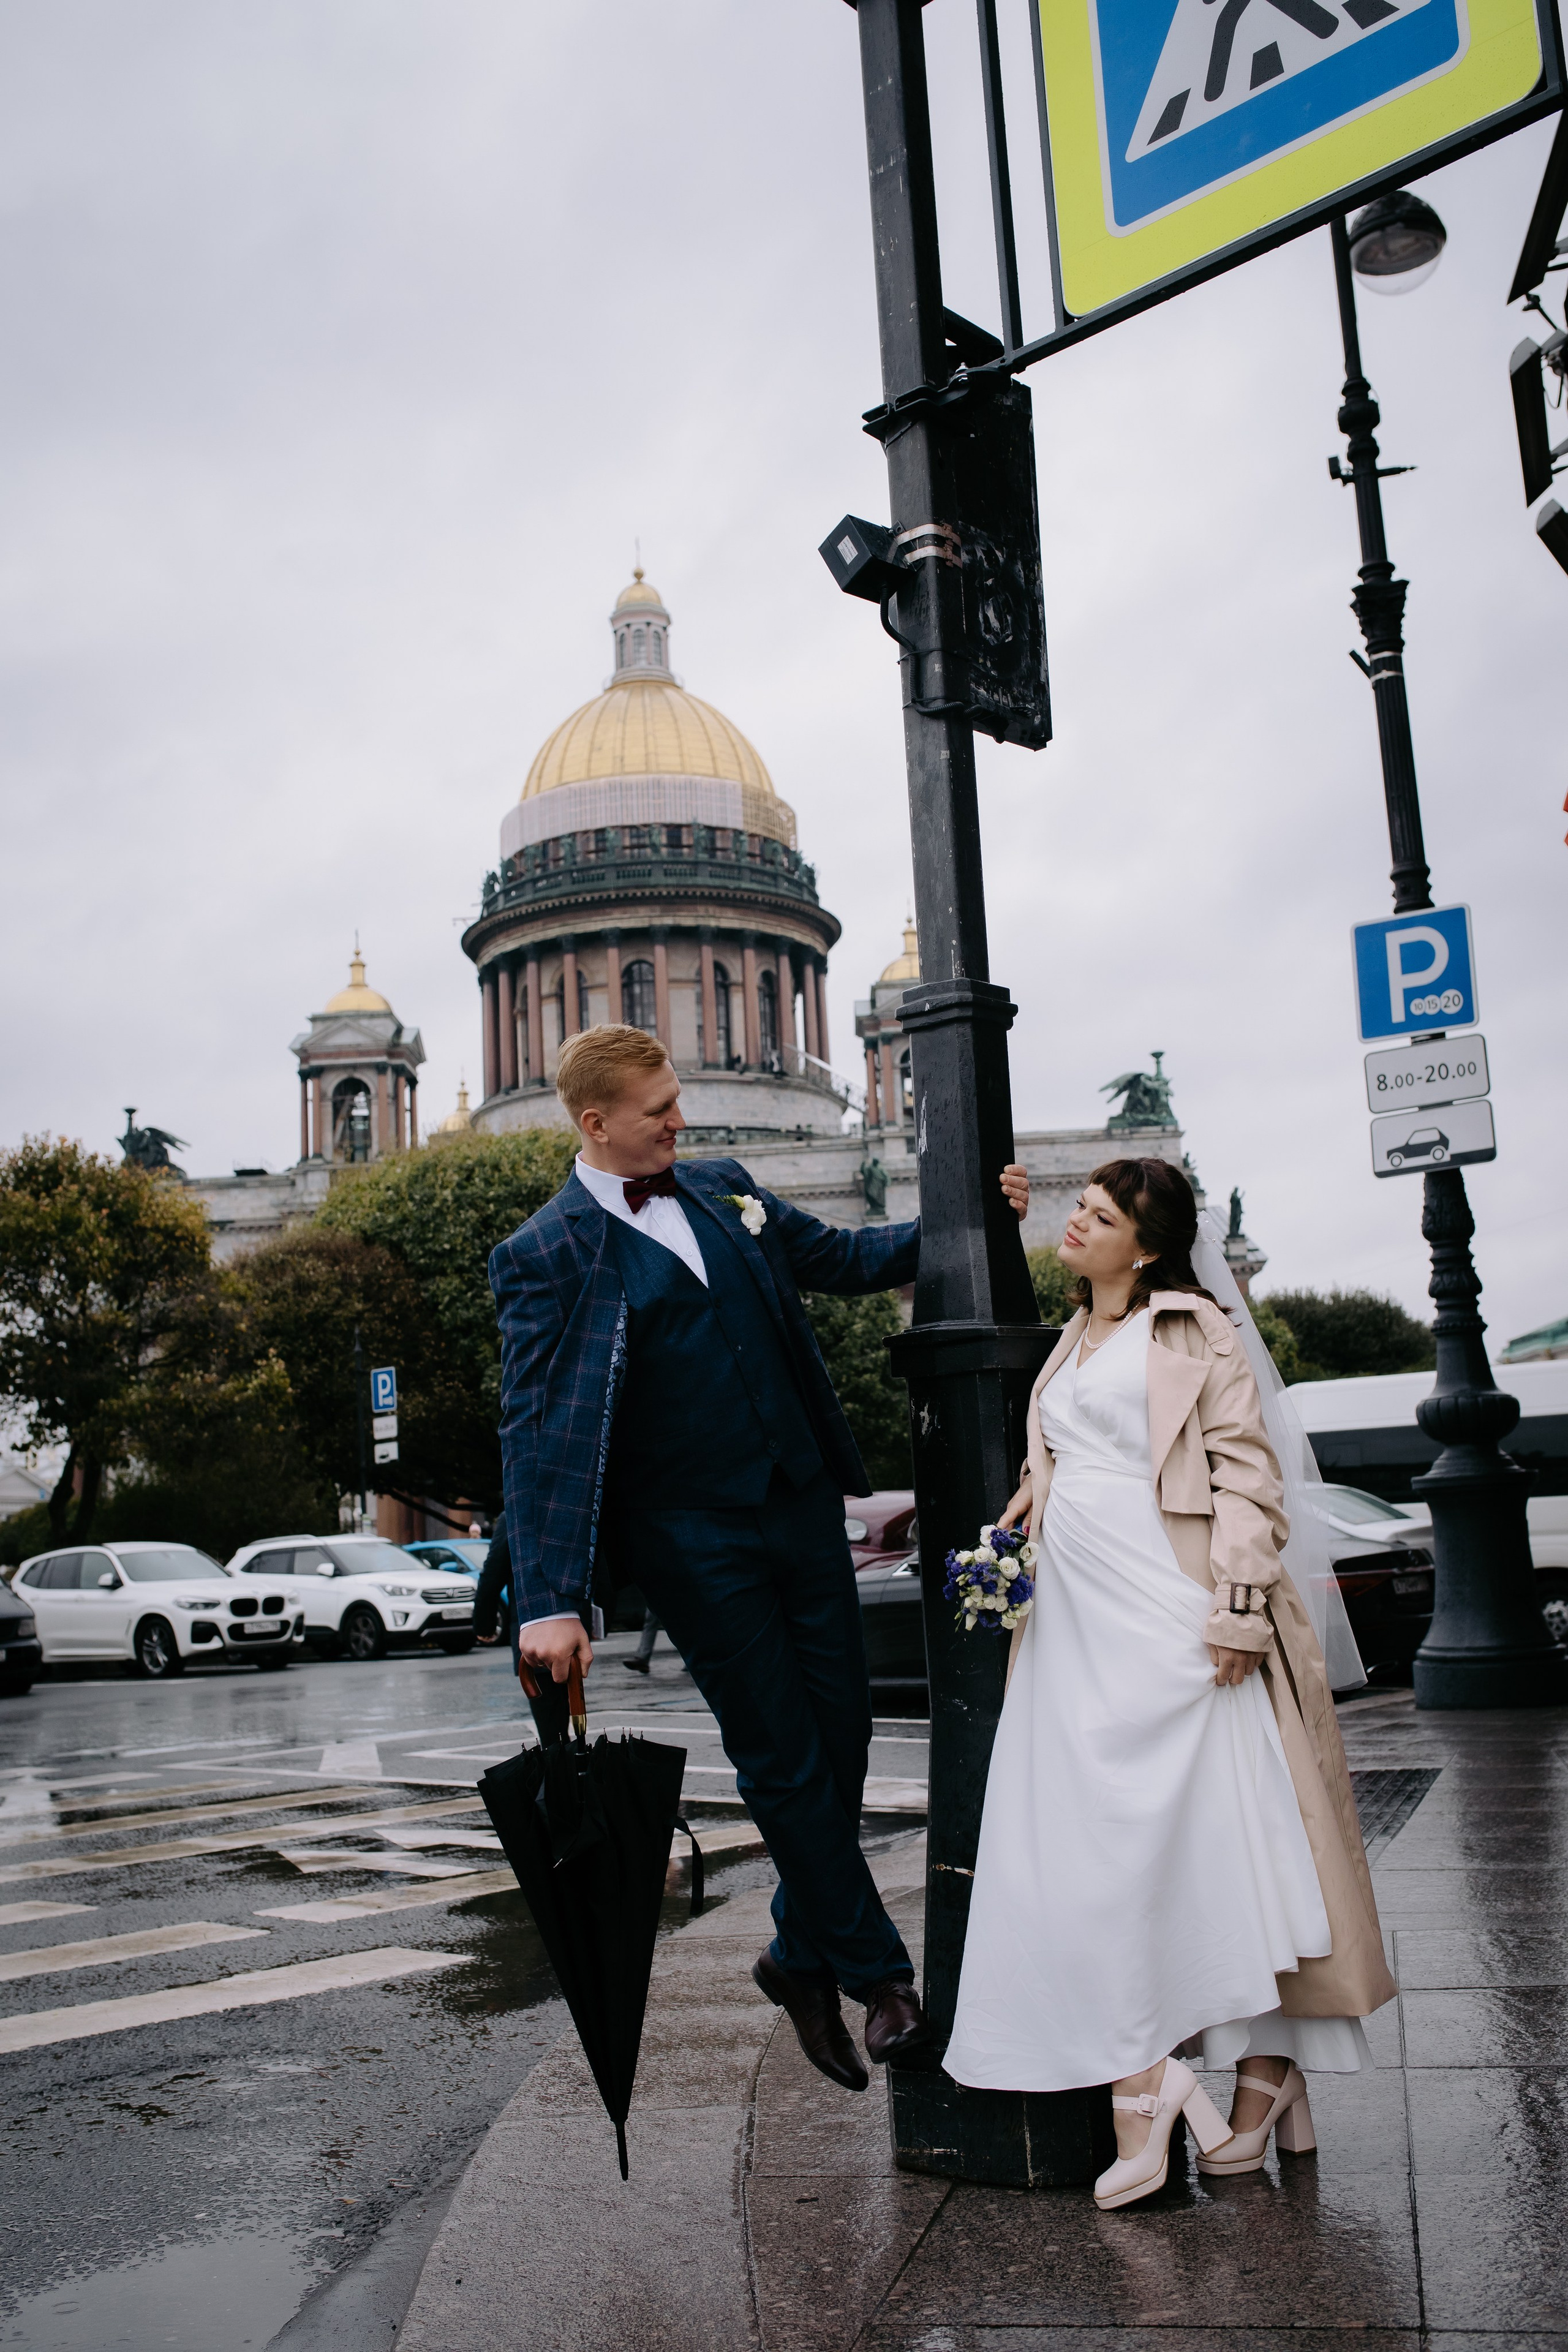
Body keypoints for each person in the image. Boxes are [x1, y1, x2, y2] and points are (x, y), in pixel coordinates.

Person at [489, 1022, 1030, 2092]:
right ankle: (880, 1979)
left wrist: (969, 1221)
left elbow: (844, 1259)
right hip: (693, 1546)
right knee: (782, 1752)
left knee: (842, 1734)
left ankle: (795, 1957)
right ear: (596, 1125)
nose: (680, 1122)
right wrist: (549, 1601)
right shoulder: (542, 1253)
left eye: (677, 1100)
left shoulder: (725, 1188)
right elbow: (534, 1430)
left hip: (796, 1508)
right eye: (657, 1112)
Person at [943, 1157, 1395, 2212]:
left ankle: (1252, 2074)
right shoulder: (1075, 1337)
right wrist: (1022, 1507)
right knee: (1113, 1849)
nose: (1074, 1224)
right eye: (1075, 1208)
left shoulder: (1193, 1330)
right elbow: (1076, 1452)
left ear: (1143, 1245)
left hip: (1170, 1609)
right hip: (1074, 1619)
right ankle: (1189, 2082)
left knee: (1228, 1843)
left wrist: (1236, 1608)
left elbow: (1248, 1476)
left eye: (1097, 1216)